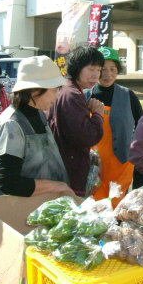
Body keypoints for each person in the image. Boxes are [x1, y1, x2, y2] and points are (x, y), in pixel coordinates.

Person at [0, 56, 73, 198]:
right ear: (35, 90)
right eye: (54, 90)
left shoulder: (39, 115)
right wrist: (57, 186)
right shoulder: (11, 124)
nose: (56, 97)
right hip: (8, 211)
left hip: (35, 208)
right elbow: (9, 183)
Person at [48, 45, 105, 196]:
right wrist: (98, 115)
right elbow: (87, 136)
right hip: (69, 172)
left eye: (99, 70)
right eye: (91, 69)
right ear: (77, 68)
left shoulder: (66, 89)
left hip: (63, 168)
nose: (96, 75)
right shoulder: (72, 94)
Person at [91, 47, 143, 205]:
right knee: (94, 203)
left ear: (118, 71)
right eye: (103, 69)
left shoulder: (128, 95)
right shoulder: (87, 95)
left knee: (117, 204)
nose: (108, 74)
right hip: (94, 162)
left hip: (121, 161)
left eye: (112, 69)